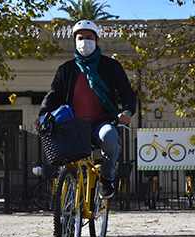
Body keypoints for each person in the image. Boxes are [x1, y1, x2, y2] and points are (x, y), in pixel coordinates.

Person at [36, 20, 136, 199]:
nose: (84, 41)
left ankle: (106, 178)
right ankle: (68, 193)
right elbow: (53, 95)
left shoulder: (111, 67)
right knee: (66, 163)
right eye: (80, 38)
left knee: (109, 139)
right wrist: (43, 114)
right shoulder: (66, 69)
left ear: (97, 40)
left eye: (89, 37)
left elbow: (127, 92)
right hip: (72, 126)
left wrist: (127, 112)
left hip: (102, 122)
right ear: (75, 41)